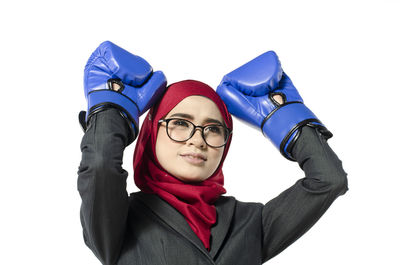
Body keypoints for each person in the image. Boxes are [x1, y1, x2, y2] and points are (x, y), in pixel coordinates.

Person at [78, 41, 348, 265]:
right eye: (180, 123)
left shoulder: (250, 223)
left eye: (214, 129)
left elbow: (329, 179)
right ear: (152, 133)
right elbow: (101, 165)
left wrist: (285, 115)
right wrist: (111, 108)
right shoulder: (119, 218)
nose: (198, 140)